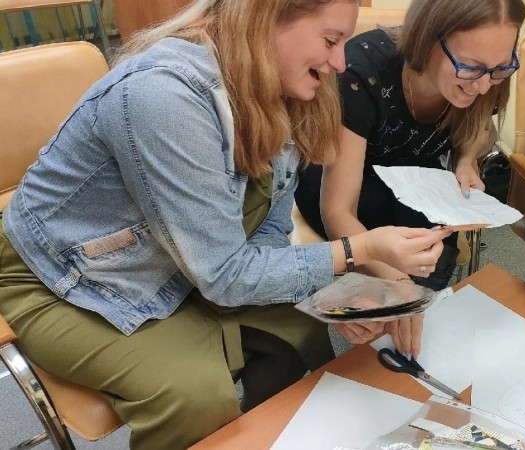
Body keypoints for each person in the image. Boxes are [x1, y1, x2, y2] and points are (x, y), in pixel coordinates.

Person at [0, 0, 451, 448]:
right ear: (266, 17)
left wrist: (330, 298)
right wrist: (358, 252)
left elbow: (266, 229)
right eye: (331, 41)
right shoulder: (164, 96)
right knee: (195, 397)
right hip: (65, 278)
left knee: (301, 332)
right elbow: (222, 276)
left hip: (183, 261)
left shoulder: (276, 86)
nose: (338, 63)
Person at [295, 0, 525, 295]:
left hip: (415, 179)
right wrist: (400, 286)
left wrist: (466, 161)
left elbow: (477, 122)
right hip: (343, 182)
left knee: (434, 243)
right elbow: (338, 212)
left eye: (500, 69)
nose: (482, 87)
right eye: (470, 68)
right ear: (426, 39)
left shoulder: (489, 72)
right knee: (398, 268)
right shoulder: (361, 74)